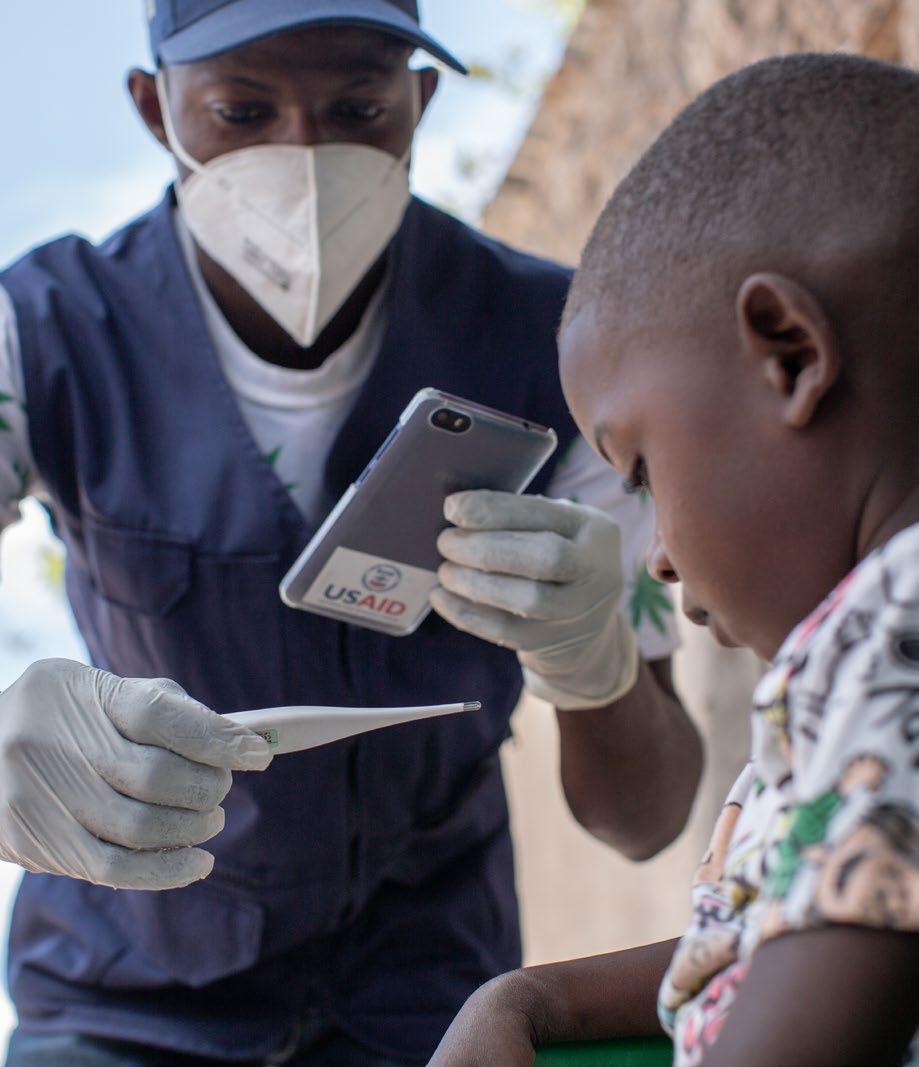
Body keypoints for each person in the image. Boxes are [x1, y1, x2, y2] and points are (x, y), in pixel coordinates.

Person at [0, 3, 703, 1065]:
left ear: (419, 100)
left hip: (428, 1002)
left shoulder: (556, 350)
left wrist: (593, 661)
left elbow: (643, 820)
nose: (306, 155)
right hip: (123, 998)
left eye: (358, 109)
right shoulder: (43, 334)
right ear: (155, 109)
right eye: (242, 111)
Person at [429, 51, 919, 1067]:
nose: (652, 556)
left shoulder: (897, 637)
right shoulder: (855, 661)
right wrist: (530, 998)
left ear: (787, 354)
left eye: (640, 470)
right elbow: (757, 939)